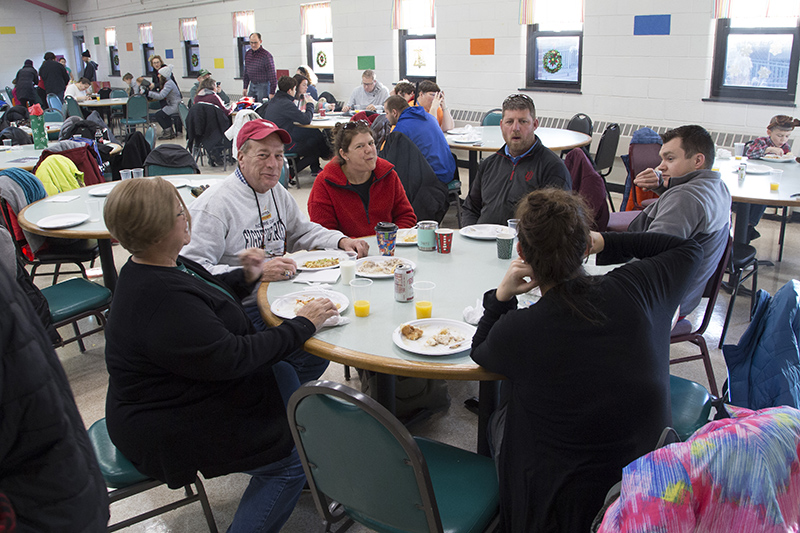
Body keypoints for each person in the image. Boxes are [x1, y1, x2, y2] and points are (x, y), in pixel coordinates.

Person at [103, 177, 340, 533]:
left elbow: (205, 295)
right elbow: (234, 357)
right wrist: (303, 325)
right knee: (288, 462)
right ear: (160, 229)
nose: (187, 217)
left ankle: (302, 448)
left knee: (284, 371)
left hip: (185, 389)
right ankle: (294, 463)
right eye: (179, 212)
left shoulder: (154, 264)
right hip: (167, 420)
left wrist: (248, 275)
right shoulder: (161, 298)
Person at [470, 188, 703, 533]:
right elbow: (689, 248)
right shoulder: (640, 286)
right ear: (584, 249)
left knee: (504, 410)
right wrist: (605, 242)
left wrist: (502, 294)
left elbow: (480, 349)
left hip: (560, 508)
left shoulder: (521, 330)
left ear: (521, 253)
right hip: (649, 486)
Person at [181, 119, 369, 383]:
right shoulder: (215, 206)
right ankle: (275, 394)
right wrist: (254, 272)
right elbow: (192, 272)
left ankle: (280, 388)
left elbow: (301, 231)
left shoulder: (276, 191)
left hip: (279, 292)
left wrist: (340, 241)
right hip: (239, 308)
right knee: (311, 350)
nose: (273, 164)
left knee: (332, 318)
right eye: (263, 155)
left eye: (279, 156)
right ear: (241, 157)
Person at [630, 124, 731, 317]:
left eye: (670, 158)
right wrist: (663, 188)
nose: (661, 166)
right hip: (685, 297)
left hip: (659, 304)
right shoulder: (718, 187)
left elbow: (649, 259)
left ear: (697, 160)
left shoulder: (685, 198)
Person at [461, 93, 572, 226]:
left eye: (523, 121)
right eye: (509, 122)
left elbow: (557, 224)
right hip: (482, 241)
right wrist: (471, 234)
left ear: (535, 124)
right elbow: (470, 209)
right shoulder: (488, 165)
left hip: (522, 244)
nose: (515, 128)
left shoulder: (552, 168)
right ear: (501, 125)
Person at [308, 120, 416, 236]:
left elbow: (406, 216)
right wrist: (354, 245)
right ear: (344, 154)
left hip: (388, 248)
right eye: (360, 146)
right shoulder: (325, 183)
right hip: (347, 252)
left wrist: (387, 240)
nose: (369, 150)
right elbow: (324, 233)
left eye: (371, 143)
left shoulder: (388, 174)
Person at [742, 115, 800, 241]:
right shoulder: (761, 142)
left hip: (772, 180)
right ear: (769, 132)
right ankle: (748, 227)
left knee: (766, 197)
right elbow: (750, 153)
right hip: (756, 180)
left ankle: (749, 227)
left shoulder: (785, 147)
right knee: (759, 197)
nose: (783, 140)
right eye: (780, 136)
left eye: (787, 136)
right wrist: (769, 149)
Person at [262, 76, 330, 176]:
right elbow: (306, 120)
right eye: (294, 89)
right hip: (284, 144)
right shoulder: (286, 103)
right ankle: (290, 173)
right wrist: (310, 104)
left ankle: (295, 169)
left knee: (313, 137)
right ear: (290, 90)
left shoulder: (275, 100)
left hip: (273, 140)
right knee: (315, 149)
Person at [384, 95, 456, 184]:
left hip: (430, 179)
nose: (386, 117)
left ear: (394, 113)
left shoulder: (401, 129)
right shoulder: (429, 117)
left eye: (387, 113)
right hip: (448, 172)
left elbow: (392, 160)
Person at [147, 65, 182, 139]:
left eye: (159, 74)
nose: (158, 76)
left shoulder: (168, 83)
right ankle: (169, 131)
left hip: (175, 106)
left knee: (159, 115)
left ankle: (168, 132)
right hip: (173, 104)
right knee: (163, 114)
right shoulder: (169, 82)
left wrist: (149, 93)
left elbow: (161, 96)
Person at [243, 32, 277, 102]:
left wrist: (272, 92)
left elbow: (272, 75)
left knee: (262, 107)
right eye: (251, 43)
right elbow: (246, 72)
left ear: (260, 41)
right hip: (252, 84)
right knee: (250, 105)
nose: (253, 45)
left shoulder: (266, 55)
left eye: (255, 42)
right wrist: (245, 87)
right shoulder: (248, 54)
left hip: (263, 85)